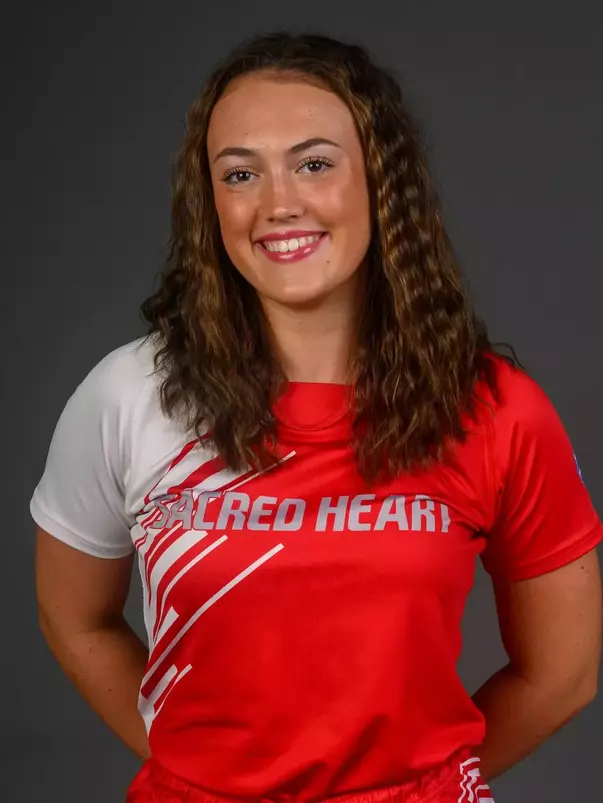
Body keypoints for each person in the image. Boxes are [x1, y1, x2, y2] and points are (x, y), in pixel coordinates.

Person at [32, 31, 602, 803]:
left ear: (379, 182)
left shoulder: (495, 408)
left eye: (313, 163)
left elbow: (561, 673)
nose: (278, 204)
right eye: (240, 173)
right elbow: (79, 621)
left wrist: (417, 782)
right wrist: (202, 768)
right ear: (212, 203)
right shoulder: (127, 395)